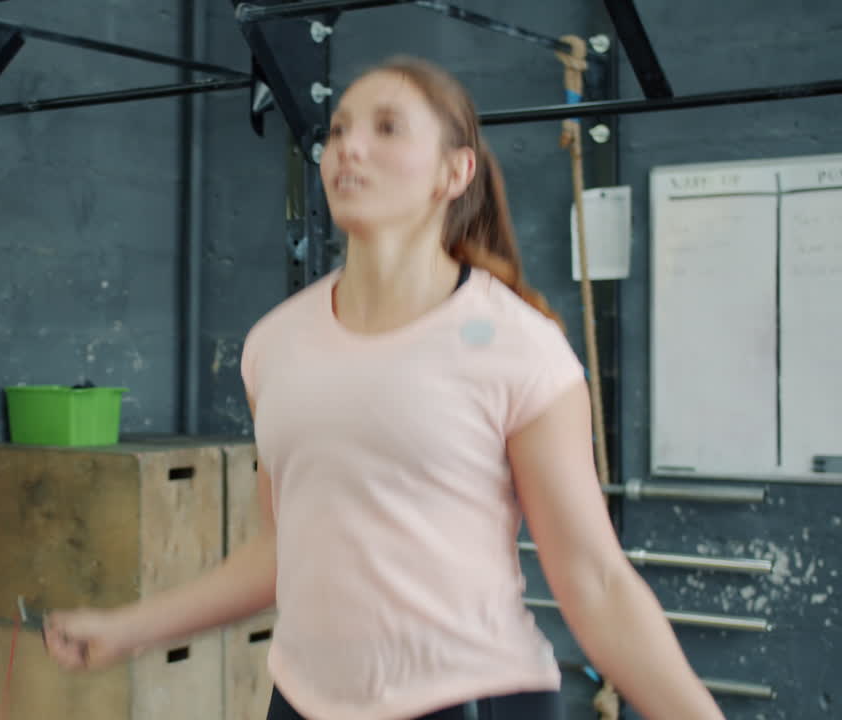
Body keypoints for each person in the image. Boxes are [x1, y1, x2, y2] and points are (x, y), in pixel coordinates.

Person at [42, 57, 725, 720]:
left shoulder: (519, 346)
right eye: (338, 130)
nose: (348, 149)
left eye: (387, 128)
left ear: (454, 172)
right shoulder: (273, 345)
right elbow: (282, 551)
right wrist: (128, 629)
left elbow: (596, 581)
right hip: (304, 700)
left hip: (466, 698)